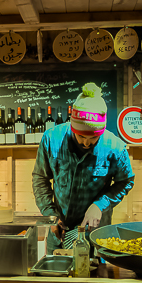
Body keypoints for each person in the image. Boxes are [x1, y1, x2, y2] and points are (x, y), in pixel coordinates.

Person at [32, 83, 135, 253]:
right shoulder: (51, 139)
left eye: (94, 137)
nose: (86, 143)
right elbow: (40, 178)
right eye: (81, 136)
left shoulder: (115, 147)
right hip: (58, 230)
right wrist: (50, 215)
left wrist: (100, 205)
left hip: (95, 232)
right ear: (72, 126)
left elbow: (126, 182)